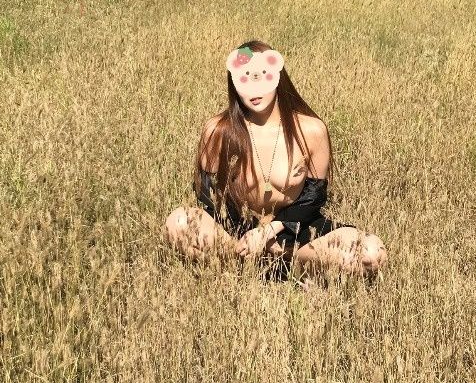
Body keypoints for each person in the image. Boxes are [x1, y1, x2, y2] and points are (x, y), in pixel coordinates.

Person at [163, 40, 387, 281]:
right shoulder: (218, 130)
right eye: (244, 80)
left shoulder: (311, 130)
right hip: (235, 232)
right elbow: (206, 193)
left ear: (277, 76)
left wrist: (270, 232)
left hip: (295, 231)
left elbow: (314, 197)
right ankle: (238, 265)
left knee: (371, 254)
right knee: (179, 222)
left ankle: (291, 264)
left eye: (262, 77)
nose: (254, 90)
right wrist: (239, 234)